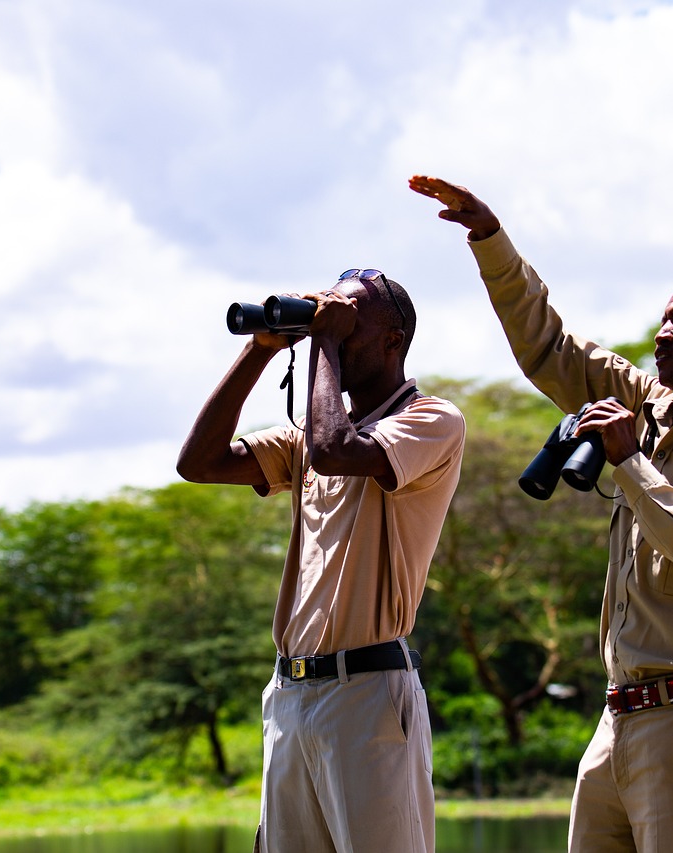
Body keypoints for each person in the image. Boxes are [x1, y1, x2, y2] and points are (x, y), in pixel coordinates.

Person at [410, 174, 673, 853]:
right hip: (617, 718)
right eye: (664, 318)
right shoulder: (646, 403)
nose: (663, 333)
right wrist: (489, 240)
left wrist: (632, 461)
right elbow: (549, 345)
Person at [176, 269, 466, 853]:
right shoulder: (309, 437)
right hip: (289, 695)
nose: (332, 322)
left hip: (366, 694)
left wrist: (325, 343)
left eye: (351, 315)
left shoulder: (432, 420)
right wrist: (261, 350)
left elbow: (336, 453)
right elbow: (198, 462)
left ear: (393, 338)